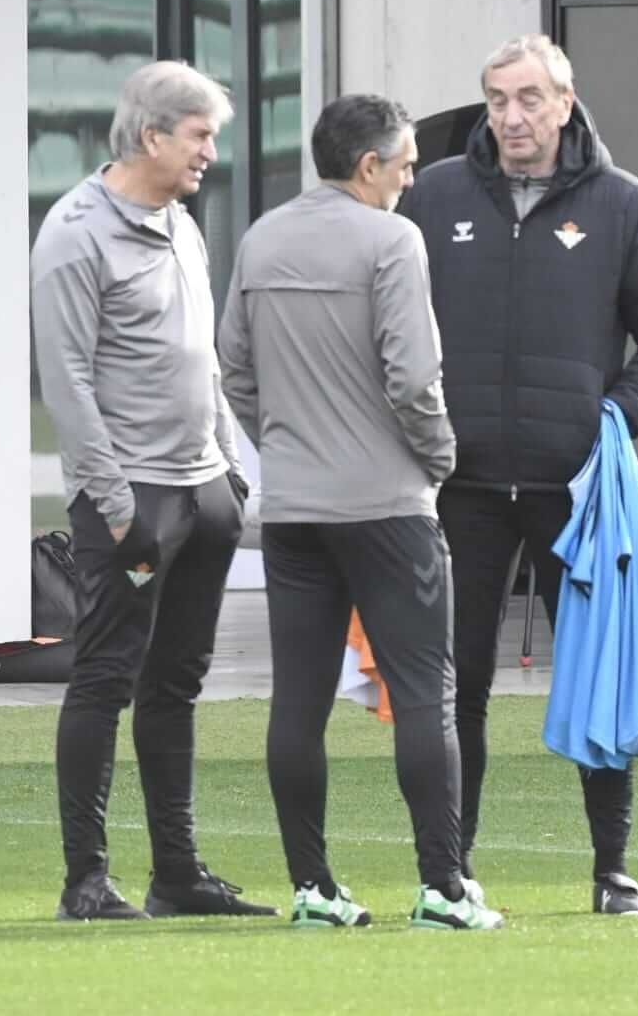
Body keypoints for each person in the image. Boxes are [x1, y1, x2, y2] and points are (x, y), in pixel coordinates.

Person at [399, 34, 638, 916]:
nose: (511, 116)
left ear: (566, 102)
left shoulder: (620, 204)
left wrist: (617, 417)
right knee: (457, 685)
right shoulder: (434, 196)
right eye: (497, 99)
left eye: (529, 98)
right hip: (461, 486)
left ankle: (612, 870)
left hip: (577, 489)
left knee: (599, 672)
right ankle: (449, 872)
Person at [218, 94, 501, 930]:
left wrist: (286, 441)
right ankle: (444, 888)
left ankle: (312, 887)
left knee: (297, 702)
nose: (414, 177)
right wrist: (440, 456)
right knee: (425, 694)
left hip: (296, 508)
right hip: (387, 505)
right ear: (368, 165)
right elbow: (415, 378)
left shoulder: (263, 235)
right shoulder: (393, 239)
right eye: (406, 162)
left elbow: (234, 368)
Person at [30, 61, 273, 921]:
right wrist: (122, 508)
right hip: (133, 508)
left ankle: (178, 874)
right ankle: (85, 881)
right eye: (201, 135)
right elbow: (65, 386)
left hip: (203, 496)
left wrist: (228, 469)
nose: (212, 152)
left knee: (177, 684)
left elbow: (200, 354)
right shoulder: (73, 235)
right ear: (151, 136)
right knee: (105, 676)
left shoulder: (180, 220)